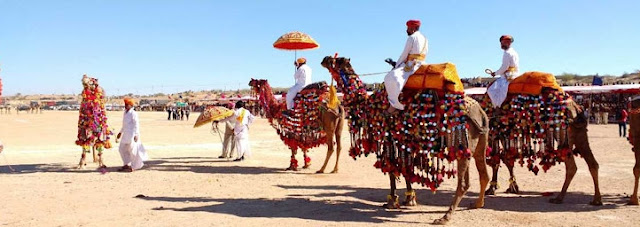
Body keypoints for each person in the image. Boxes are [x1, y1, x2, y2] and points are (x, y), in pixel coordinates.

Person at [383, 19, 428, 113]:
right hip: (421, 63)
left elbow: (404, 54)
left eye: (408, 28)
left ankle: (394, 105)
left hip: (411, 64)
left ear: (413, 28)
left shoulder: (412, 37)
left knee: (390, 77)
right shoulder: (425, 38)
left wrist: (396, 65)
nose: (406, 30)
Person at [115, 98, 148, 172]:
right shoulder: (125, 113)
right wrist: (120, 132)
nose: (125, 106)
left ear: (131, 105)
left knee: (133, 151)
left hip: (132, 134)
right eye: (125, 104)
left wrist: (136, 134)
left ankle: (134, 166)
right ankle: (126, 164)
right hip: (125, 134)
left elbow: (136, 124)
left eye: (127, 104)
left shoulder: (133, 113)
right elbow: (124, 125)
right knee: (121, 149)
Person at [487, 35, 520, 108]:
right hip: (514, 74)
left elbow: (504, 67)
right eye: (501, 43)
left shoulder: (507, 53)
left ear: (508, 43)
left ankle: (497, 106)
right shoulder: (514, 52)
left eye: (503, 43)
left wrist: (495, 73)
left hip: (508, 76)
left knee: (491, 90)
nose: (502, 45)